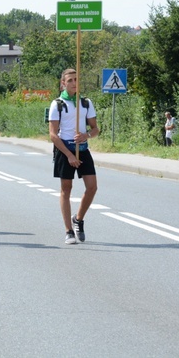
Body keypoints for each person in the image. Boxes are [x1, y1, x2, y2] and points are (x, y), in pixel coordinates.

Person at [48, 68, 100, 245]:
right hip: (65, 150)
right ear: (63, 83)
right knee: (66, 189)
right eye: (70, 80)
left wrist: (86, 135)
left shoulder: (85, 103)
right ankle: (68, 230)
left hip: (83, 149)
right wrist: (69, 155)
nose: (74, 83)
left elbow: (95, 129)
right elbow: (53, 135)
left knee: (92, 187)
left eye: (76, 79)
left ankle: (78, 219)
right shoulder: (58, 104)